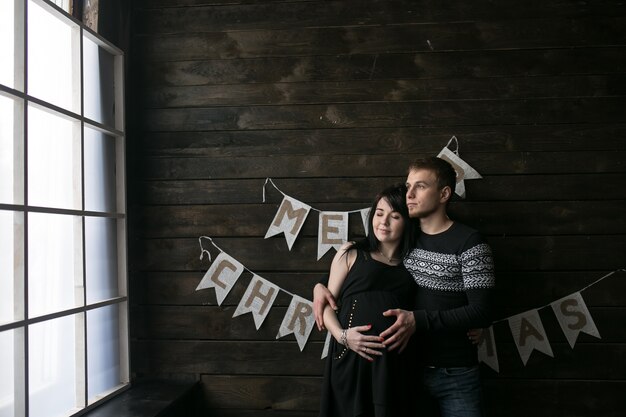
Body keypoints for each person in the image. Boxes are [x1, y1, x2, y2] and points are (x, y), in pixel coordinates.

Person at [314, 156, 495, 417]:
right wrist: (319, 286)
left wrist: (417, 320)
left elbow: (482, 311)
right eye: (408, 186)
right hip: (406, 367)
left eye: (419, 187)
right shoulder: (410, 243)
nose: (409, 194)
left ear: (444, 193)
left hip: (454, 370)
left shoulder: (469, 242)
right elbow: (365, 271)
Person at [319, 183, 418, 417]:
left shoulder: (412, 264)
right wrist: (344, 337)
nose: (383, 222)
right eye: (379, 213)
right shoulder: (352, 252)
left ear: (407, 222)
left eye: (394, 216)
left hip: (393, 365)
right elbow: (325, 305)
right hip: (351, 355)